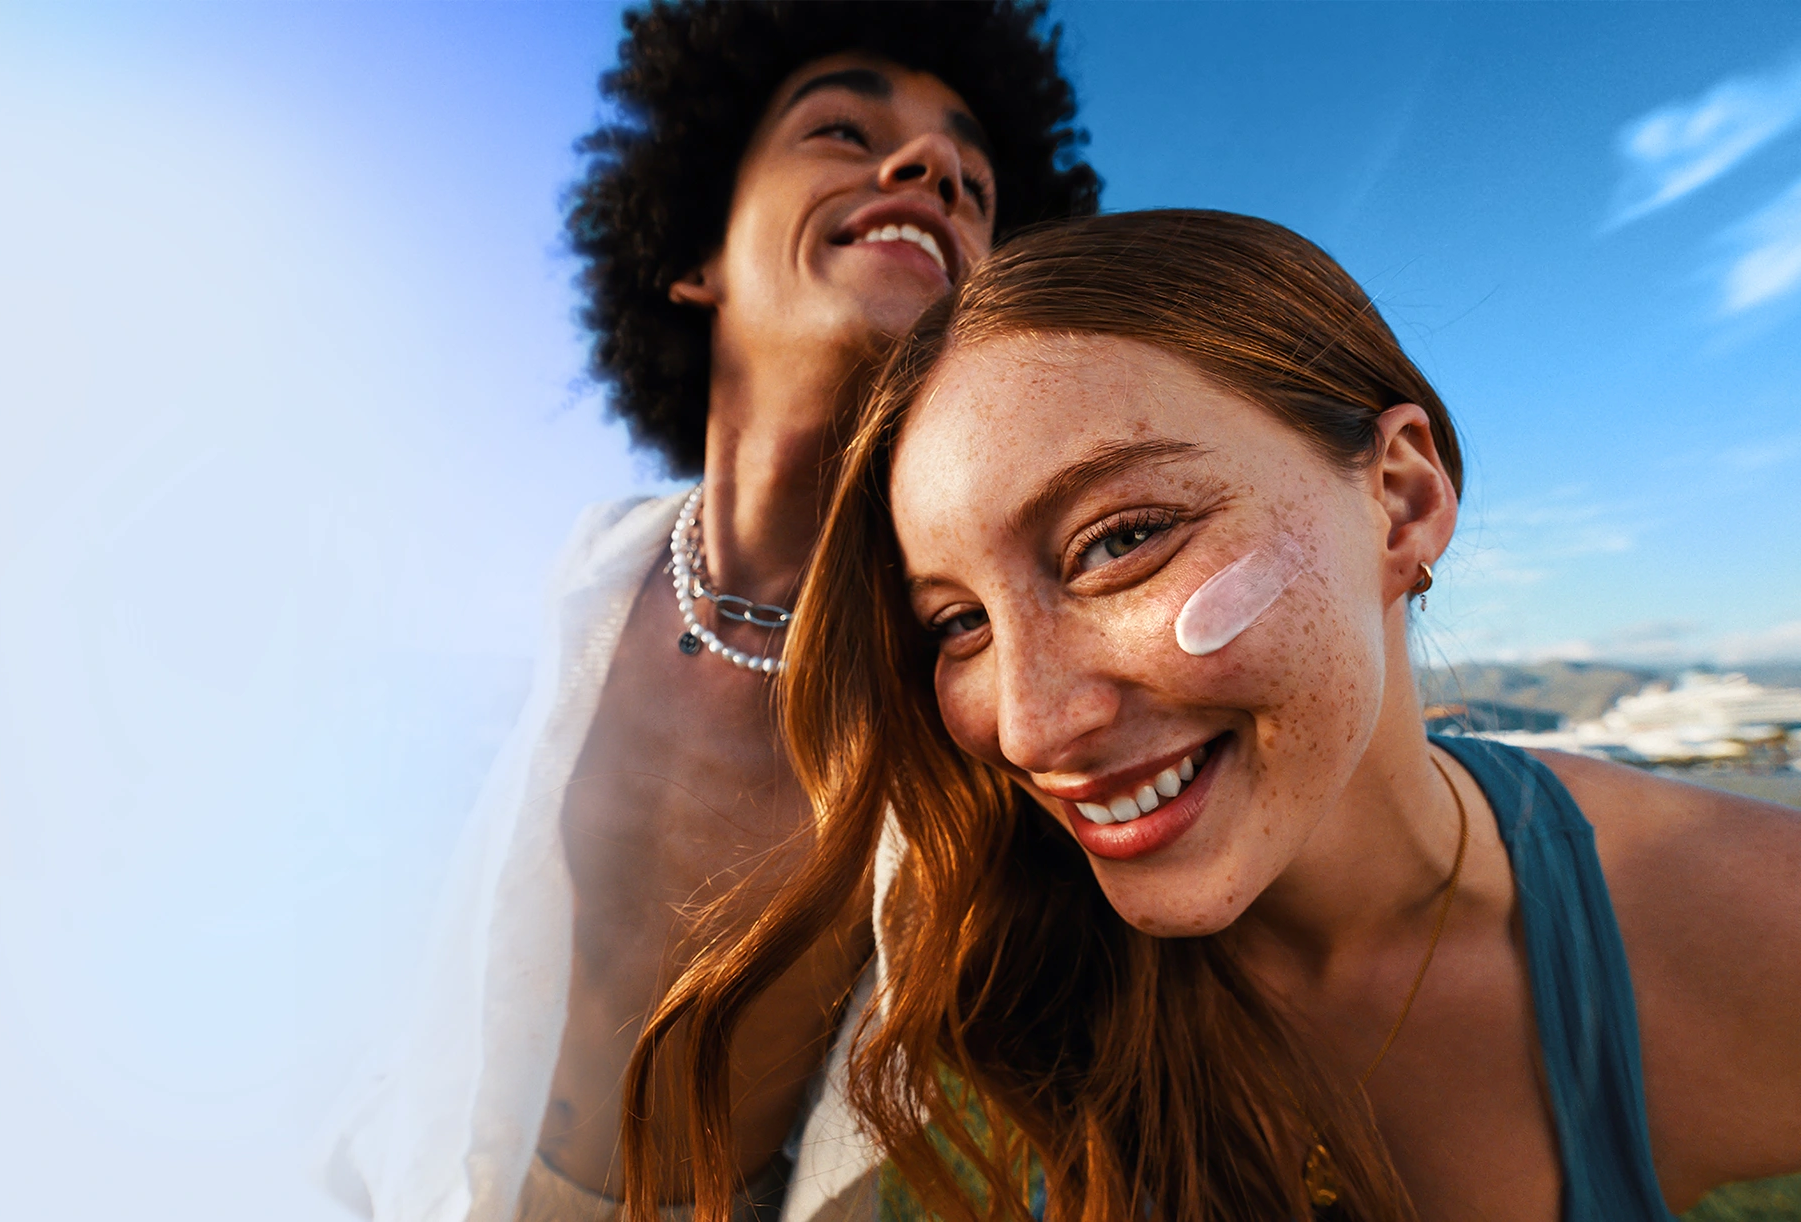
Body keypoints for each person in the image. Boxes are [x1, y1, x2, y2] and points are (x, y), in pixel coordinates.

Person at [623, 210, 1801, 1222]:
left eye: (1121, 541)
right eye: (957, 624)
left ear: (1401, 499)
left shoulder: (1744, 916)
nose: (1031, 730)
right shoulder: (1001, 961)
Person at [323, 5, 1098, 1221]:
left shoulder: (989, 680)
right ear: (695, 257)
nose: (936, 170)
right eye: (842, 127)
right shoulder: (589, 574)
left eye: (978, 186)